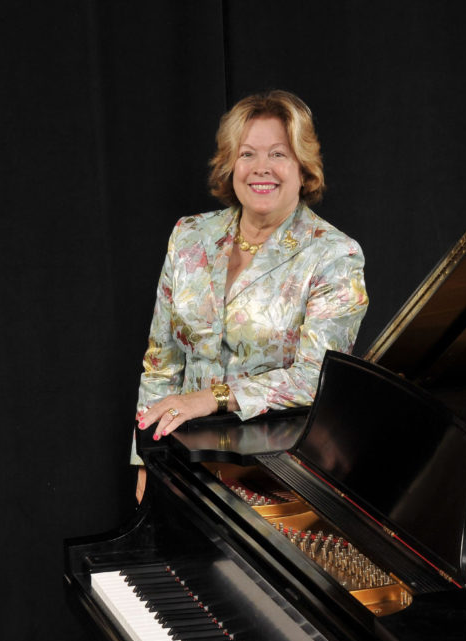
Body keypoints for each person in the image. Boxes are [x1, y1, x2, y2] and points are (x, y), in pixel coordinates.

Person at [132, 90, 368, 501]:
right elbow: (161, 363)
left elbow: (315, 379)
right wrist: (145, 462)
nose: (262, 169)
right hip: (183, 468)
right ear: (230, 164)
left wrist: (213, 398)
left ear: (303, 167)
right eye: (247, 154)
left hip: (277, 476)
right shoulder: (189, 236)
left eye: (278, 154)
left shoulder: (333, 255)